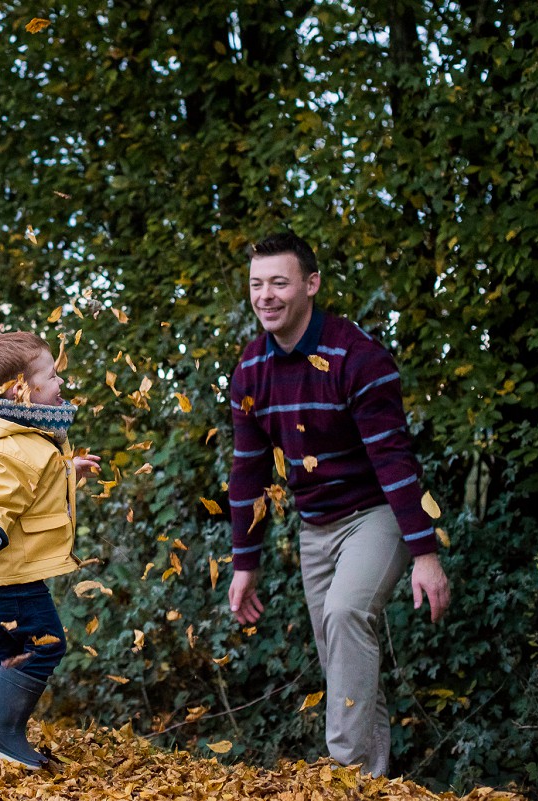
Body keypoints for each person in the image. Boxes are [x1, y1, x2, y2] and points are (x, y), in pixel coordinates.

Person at [227, 232, 451, 777]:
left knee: (347, 613)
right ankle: (371, 782)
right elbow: (248, 473)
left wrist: (425, 555)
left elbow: (395, 461)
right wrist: (244, 564)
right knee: (340, 652)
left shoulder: (358, 358)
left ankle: (342, 777)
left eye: (279, 282)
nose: (266, 296)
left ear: (311, 284)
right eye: (257, 284)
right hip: (315, 526)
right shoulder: (251, 370)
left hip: (376, 513)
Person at [0, 331, 100, 769]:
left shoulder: (16, 435)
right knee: (46, 645)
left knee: (9, 650)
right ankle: (0, 732)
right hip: (10, 574)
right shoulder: (11, 448)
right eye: (51, 376)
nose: (59, 384)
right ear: (21, 390)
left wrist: (68, 472)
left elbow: (31, 481)